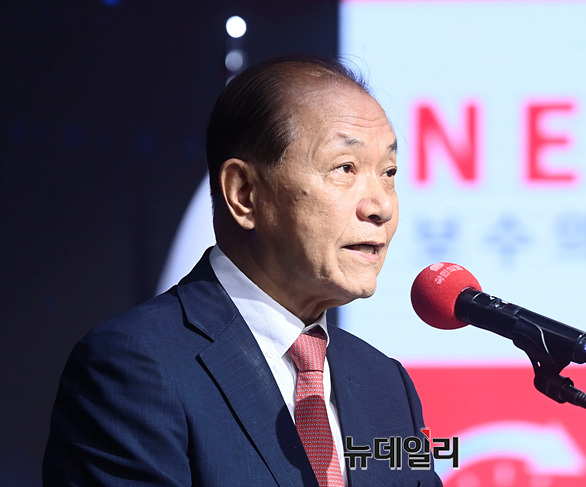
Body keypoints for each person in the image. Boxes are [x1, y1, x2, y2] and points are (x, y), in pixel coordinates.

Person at [43, 55, 442, 487]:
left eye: (388, 172)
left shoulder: (387, 386)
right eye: (345, 168)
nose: (381, 206)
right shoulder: (133, 367)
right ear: (244, 193)